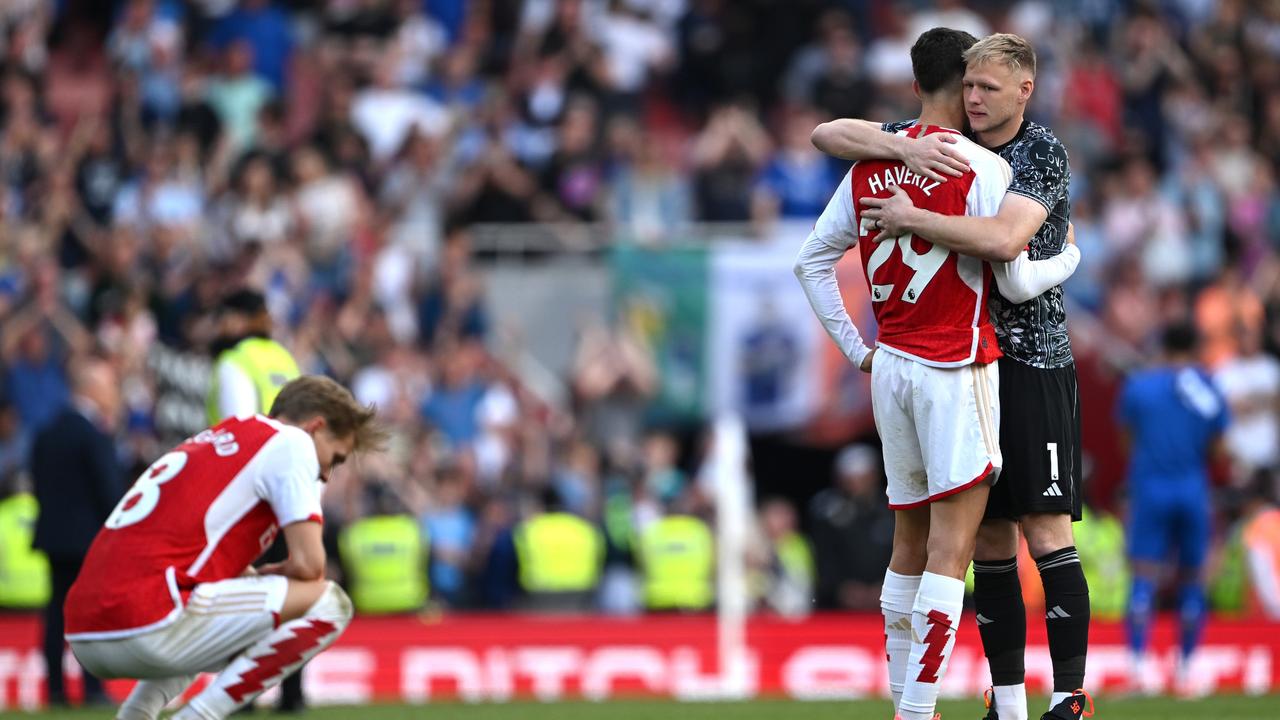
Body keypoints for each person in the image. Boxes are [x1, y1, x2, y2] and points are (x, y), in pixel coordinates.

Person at [794, 28, 1079, 720]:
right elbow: (1011, 265)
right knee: (959, 547)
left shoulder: (877, 160)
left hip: (896, 365)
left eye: (991, 86)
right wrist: (1070, 256)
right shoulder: (981, 171)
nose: (979, 97)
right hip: (958, 365)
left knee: (920, 541)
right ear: (961, 81)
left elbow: (811, 255)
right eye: (973, 85)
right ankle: (922, 709)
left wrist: (859, 351)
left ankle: (1023, 698)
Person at [64, 375, 386, 720]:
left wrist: (253, 578)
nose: (327, 475)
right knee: (328, 603)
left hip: (85, 629)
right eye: (335, 459)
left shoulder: (219, 438)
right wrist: (274, 574)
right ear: (316, 426)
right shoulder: (293, 443)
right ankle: (198, 717)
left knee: (219, 600)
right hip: (145, 616)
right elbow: (310, 565)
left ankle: (135, 716)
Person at [205, 287, 307, 713]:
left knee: (241, 596)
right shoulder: (285, 361)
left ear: (236, 319)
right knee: (290, 594)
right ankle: (292, 694)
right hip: (294, 493)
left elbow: (240, 432)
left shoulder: (234, 362)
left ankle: (241, 694)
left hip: (250, 500)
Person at [1117, 323, 1228, 695]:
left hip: (1150, 487)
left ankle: (1138, 668)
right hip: (1192, 488)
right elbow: (1218, 448)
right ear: (1196, 345)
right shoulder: (1208, 388)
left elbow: (1126, 439)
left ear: (1162, 344)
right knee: (1194, 577)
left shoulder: (1139, 385)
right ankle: (1187, 671)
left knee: (1144, 574)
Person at [30, 356, 124, 707]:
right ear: (93, 389)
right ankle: (92, 688)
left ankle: (54, 689)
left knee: (56, 615)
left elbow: (38, 483)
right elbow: (109, 492)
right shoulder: (94, 435)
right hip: (88, 542)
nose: (114, 393)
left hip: (54, 538)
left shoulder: (47, 432)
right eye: (110, 385)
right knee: (89, 616)